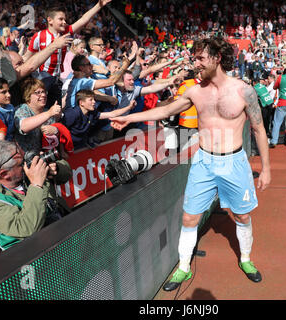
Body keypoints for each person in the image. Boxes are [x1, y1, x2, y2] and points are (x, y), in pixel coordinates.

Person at [111, 37, 271, 291]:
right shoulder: (195, 90)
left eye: (200, 58)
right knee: (189, 218)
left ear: (217, 58)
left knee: (242, 215)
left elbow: (259, 129)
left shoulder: (244, 91)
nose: (195, 63)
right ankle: (183, 267)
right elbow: (165, 111)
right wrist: (129, 118)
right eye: (194, 58)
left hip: (235, 162)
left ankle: (246, 259)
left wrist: (266, 169)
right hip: (204, 162)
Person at [0, 140, 72, 255]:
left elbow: (67, 173)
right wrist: (36, 185)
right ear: (5, 174)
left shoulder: (22, 169)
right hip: (31, 256)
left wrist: (57, 169)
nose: (27, 164)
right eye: (21, 164)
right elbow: (26, 227)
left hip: (60, 230)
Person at [62, 89, 135, 149]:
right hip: (68, 148)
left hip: (80, 146)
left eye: (94, 99)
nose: (94, 102)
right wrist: (62, 151)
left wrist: (128, 107)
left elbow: (112, 114)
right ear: (81, 103)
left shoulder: (92, 113)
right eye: (91, 100)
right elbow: (60, 132)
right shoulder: (72, 114)